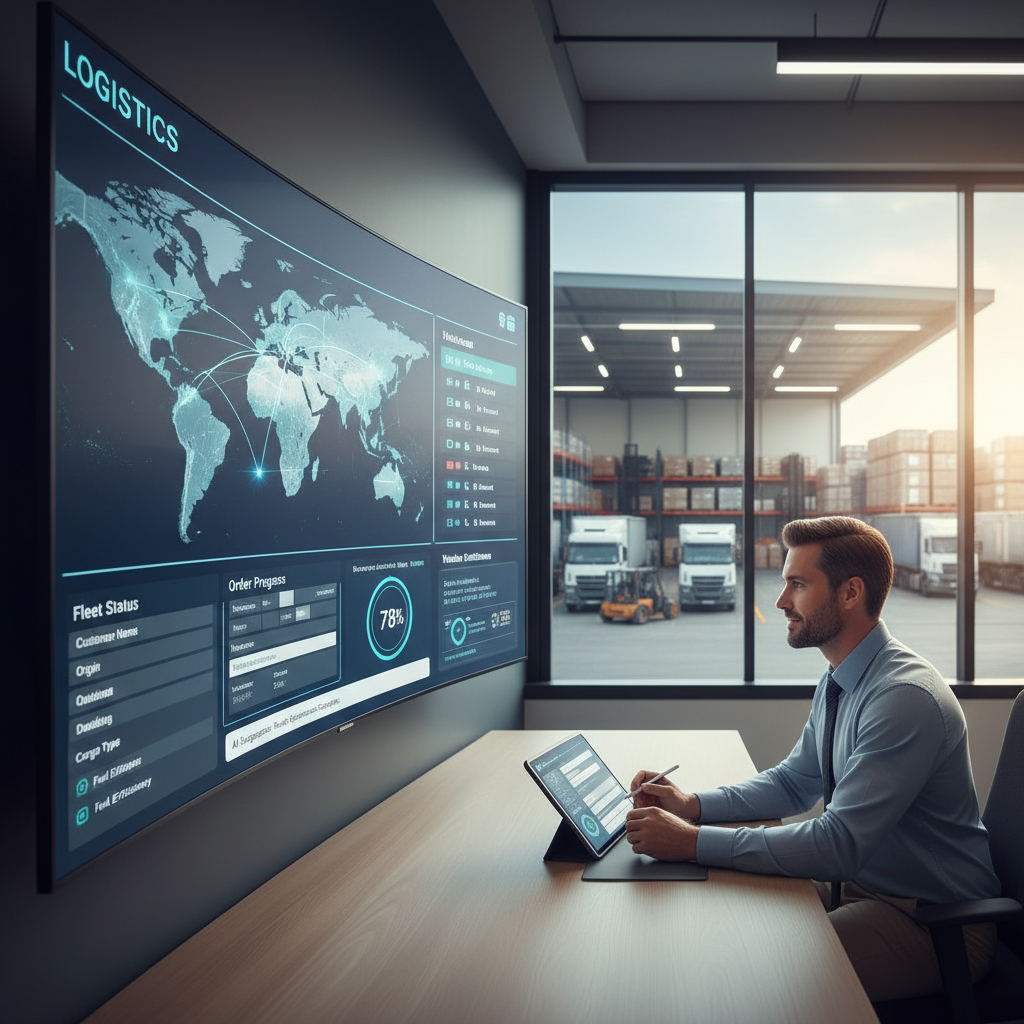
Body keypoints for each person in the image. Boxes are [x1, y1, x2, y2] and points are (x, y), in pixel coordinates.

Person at [625, 515, 999, 1002]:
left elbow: (838, 844)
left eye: (797, 585)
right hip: (863, 889)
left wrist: (692, 842)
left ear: (850, 593)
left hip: (933, 923)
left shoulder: (904, 697)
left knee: (758, 977)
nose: (781, 601)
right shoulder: (842, 676)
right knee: (720, 917)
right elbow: (793, 783)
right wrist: (690, 804)